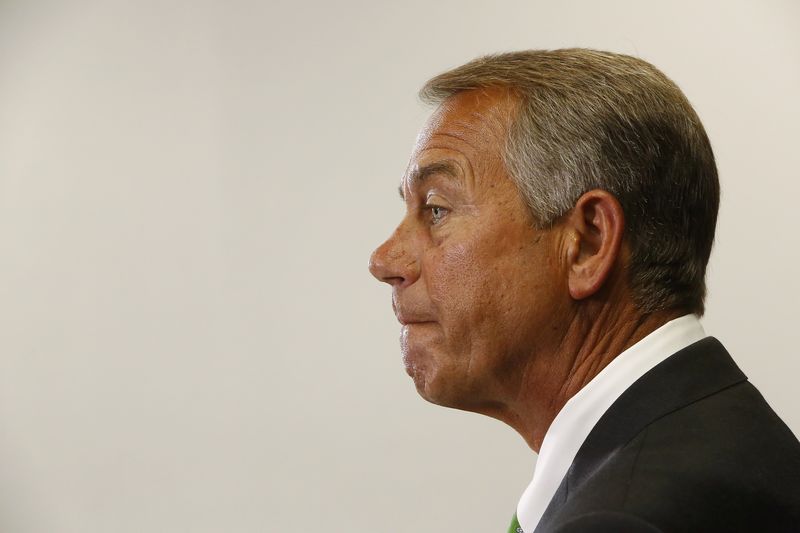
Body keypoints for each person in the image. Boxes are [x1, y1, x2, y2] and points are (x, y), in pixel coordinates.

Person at [368, 49, 800, 533]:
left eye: (436, 209)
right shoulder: (718, 443)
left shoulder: (623, 518)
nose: (385, 261)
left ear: (588, 243)